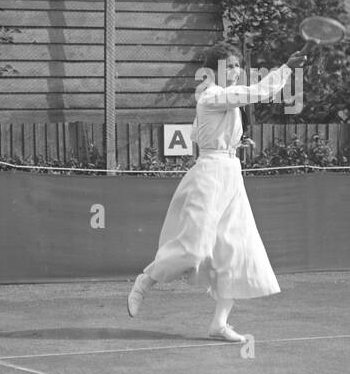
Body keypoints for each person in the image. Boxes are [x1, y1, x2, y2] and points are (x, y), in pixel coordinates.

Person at [127, 41, 308, 341]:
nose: (236, 71)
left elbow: (200, 133)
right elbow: (258, 92)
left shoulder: (223, 102)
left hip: (231, 176)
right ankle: (145, 281)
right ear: (212, 72)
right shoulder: (210, 95)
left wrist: (235, 144)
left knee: (236, 253)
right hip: (208, 178)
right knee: (193, 251)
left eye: (238, 66)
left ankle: (218, 325)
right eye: (229, 66)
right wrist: (287, 68)